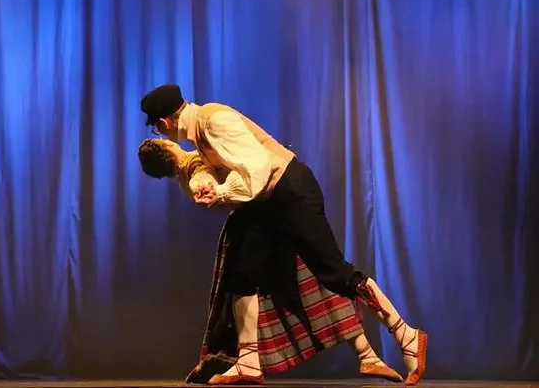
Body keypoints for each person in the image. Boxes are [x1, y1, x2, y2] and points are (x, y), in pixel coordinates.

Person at [139, 84, 427, 386]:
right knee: (240, 274)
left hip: (290, 192)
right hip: (266, 202)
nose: (162, 134)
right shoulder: (200, 136)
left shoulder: (213, 122)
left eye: (158, 129)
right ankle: (249, 362)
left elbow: (257, 168)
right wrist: (215, 190)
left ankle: (405, 335)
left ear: (164, 122)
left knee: (332, 271)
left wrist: (221, 192)